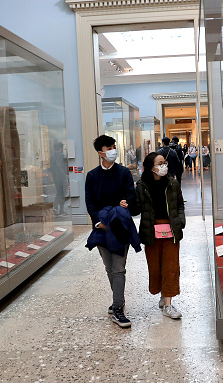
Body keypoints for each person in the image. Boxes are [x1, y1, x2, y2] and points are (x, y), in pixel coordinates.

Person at [85, 135, 140, 328]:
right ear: (100, 152)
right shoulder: (92, 176)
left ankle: (117, 308)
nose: (113, 150)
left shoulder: (124, 173)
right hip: (101, 228)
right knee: (110, 269)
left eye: (114, 147)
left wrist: (127, 203)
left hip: (120, 228)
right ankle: (119, 300)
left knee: (119, 268)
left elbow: (130, 198)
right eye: (109, 147)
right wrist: (100, 221)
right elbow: (90, 203)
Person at [136, 152, 186, 319]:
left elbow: (180, 204)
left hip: (171, 230)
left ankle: (169, 304)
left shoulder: (172, 183)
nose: (164, 165)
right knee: (156, 267)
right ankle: (163, 294)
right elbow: (136, 209)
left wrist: (180, 222)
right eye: (160, 163)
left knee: (171, 267)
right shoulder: (142, 186)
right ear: (151, 167)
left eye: (164, 162)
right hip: (151, 231)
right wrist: (126, 203)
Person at [50, 141, 68, 215]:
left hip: (55, 178)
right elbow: (66, 167)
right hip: (62, 177)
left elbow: (52, 168)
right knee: (63, 193)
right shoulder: (62, 156)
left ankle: (55, 208)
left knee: (58, 193)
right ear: (60, 148)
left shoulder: (52, 157)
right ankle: (61, 210)